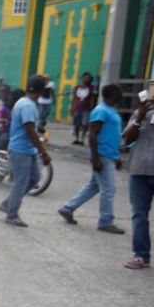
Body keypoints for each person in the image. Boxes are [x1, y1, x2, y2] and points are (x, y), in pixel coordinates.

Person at [57, 84, 125, 234]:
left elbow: (112, 135)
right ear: (111, 94)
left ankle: (68, 208)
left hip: (109, 154)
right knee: (109, 189)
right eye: (118, 92)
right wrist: (96, 158)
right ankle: (106, 221)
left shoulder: (112, 111)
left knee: (94, 186)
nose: (121, 95)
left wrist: (117, 157)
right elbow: (93, 134)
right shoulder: (101, 110)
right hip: (102, 154)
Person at [0, 75, 52, 227]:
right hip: (21, 149)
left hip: (28, 149)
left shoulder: (25, 102)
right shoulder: (27, 106)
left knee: (34, 179)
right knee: (20, 183)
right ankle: (11, 215)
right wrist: (44, 152)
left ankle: (8, 204)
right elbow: (30, 130)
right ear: (41, 91)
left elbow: (32, 129)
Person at [121, 90, 154, 269]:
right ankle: (141, 255)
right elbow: (127, 138)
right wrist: (139, 119)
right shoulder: (142, 112)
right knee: (139, 215)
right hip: (139, 170)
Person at [71, 72, 96, 145]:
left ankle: (82, 139)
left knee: (85, 124)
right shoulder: (77, 87)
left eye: (89, 78)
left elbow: (92, 98)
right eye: (86, 78)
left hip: (87, 109)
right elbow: (74, 98)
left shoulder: (91, 88)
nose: (87, 79)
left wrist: (92, 108)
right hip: (77, 108)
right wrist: (72, 108)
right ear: (83, 78)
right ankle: (76, 138)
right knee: (76, 124)